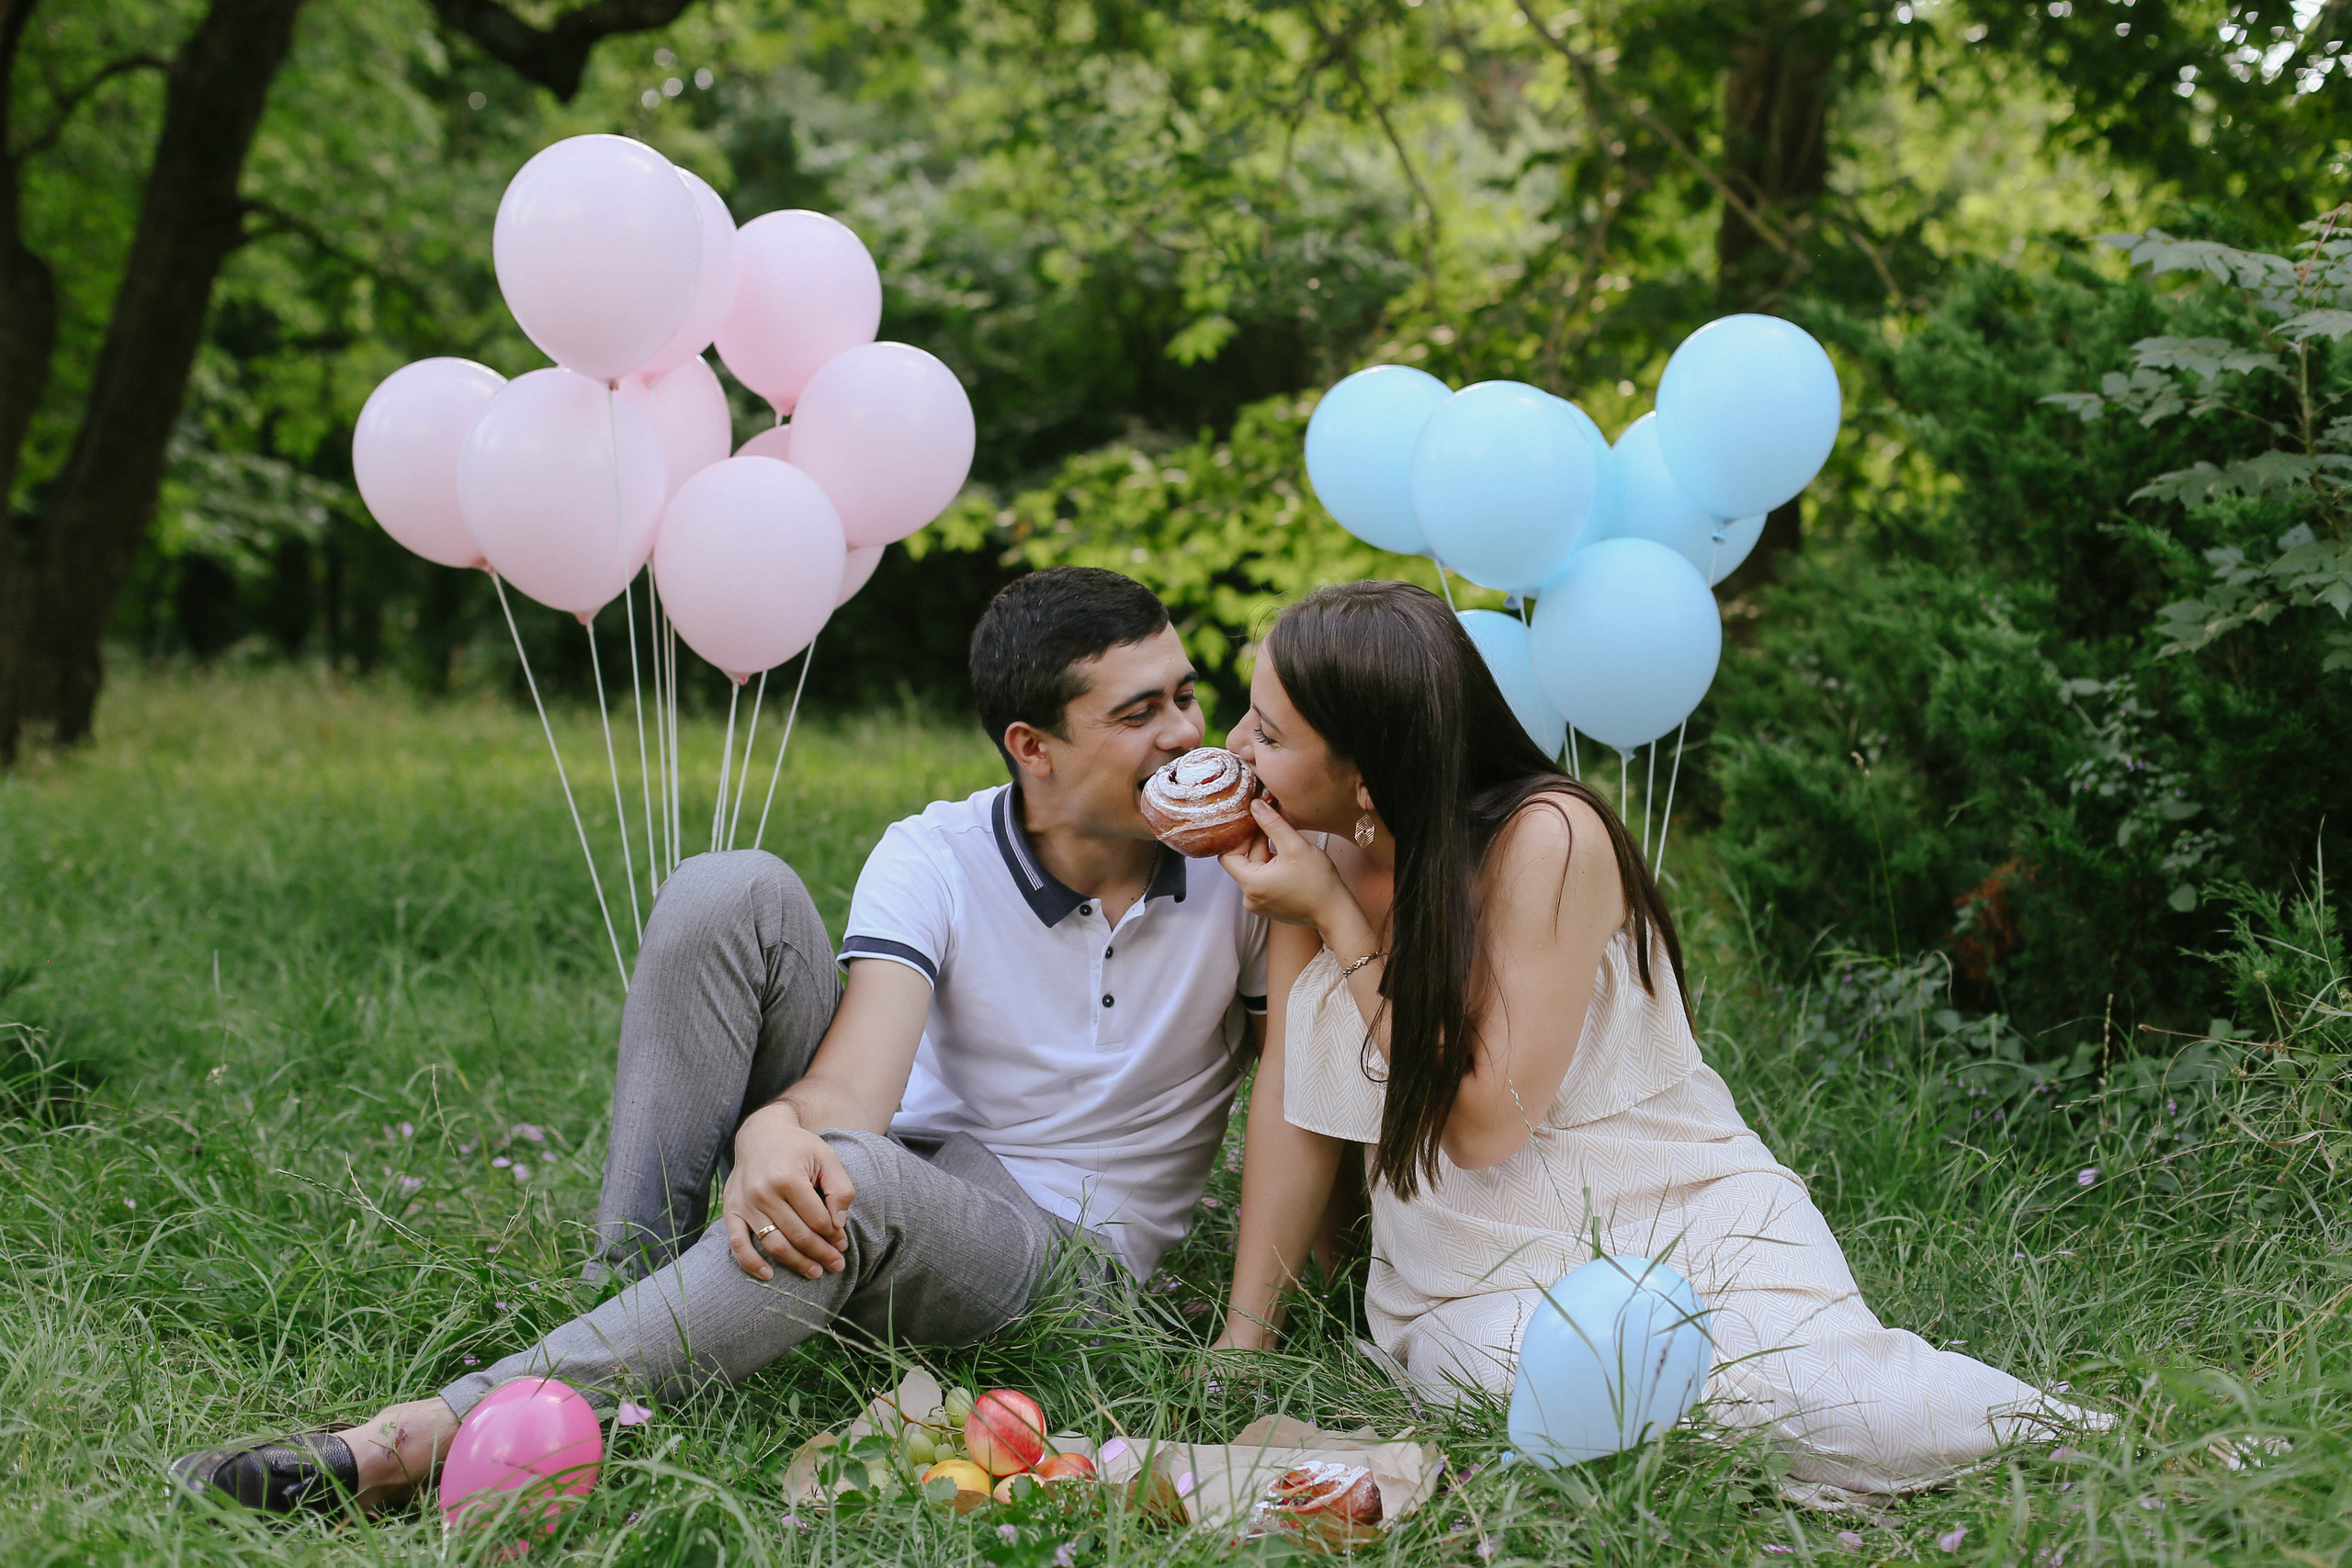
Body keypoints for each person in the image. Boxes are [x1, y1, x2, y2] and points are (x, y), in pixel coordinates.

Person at [173, 566, 1270, 1514]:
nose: (1185, 733)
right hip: (907, 1166)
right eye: (1139, 714)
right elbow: (859, 1086)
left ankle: (422, 1437)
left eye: (1184, 696)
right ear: (1031, 746)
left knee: (851, 1179)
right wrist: (778, 1134)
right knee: (723, 888)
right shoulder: (936, 851)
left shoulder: (1251, 870)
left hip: (1062, 1260)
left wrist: (1250, 1330)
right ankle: (631, 1287)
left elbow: (1295, 1099)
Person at [1210, 580, 2092, 1503]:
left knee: (1815, 1387)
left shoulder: (1547, 837)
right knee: (1565, 1388)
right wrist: (1247, 1340)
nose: (1234, 745)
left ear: (1365, 769)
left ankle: (2080, 1440)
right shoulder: (1310, 855)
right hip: (1471, 1273)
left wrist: (1336, 919)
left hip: (1677, 1202)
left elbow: (1483, 1123)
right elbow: (1291, 1097)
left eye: (1268, 734)